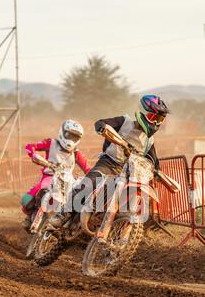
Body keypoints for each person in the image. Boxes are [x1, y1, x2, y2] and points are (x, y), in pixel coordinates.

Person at [50, 95, 169, 227]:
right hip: (108, 163)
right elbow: (101, 123)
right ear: (142, 112)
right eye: (154, 118)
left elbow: (154, 162)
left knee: (135, 197)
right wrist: (102, 128)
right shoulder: (124, 122)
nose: (156, 123)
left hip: (128, 173)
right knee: (90, 183)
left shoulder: (149, 141)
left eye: (160, 120)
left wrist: (158, 173)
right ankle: (63, 214)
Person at [21, 119, 91, 231]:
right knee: (26, 200)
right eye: (69, 135)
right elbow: (30, 146)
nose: (71, 139)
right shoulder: (51, 143)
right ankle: (29, 217)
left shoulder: (76, 153)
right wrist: (33, 155)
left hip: (66, 182)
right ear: (63, 132)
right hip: (49, 177)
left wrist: (95, 177)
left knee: (72, 203)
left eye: (75, 137)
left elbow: (88, 169)